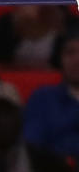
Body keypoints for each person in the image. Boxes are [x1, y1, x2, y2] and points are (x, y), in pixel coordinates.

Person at [21, 24, 79, 162]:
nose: (77, 60)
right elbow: (32, 147)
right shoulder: (42, 99)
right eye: (70, 52)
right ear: (60, 58)